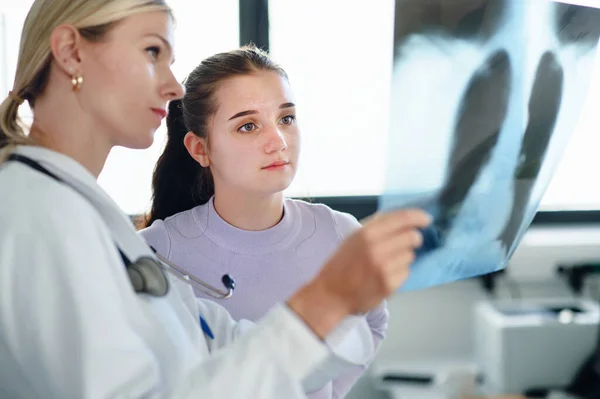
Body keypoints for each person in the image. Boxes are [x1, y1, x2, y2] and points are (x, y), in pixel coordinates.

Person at [0, 0, 431, 398]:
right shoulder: (37, 215)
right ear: (72, 52)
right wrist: (326, 302)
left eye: (286, 117)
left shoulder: (85, 214)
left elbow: (212, 344)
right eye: (153, 52)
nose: (172, 86)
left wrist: (340, 302)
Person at [138, 45, 389, 398]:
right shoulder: (153, 253)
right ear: (200, 149)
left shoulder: (340, 233)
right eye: (248, 126)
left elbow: (374, 322)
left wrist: (324, 391)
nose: (278, 141)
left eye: (286, 118)